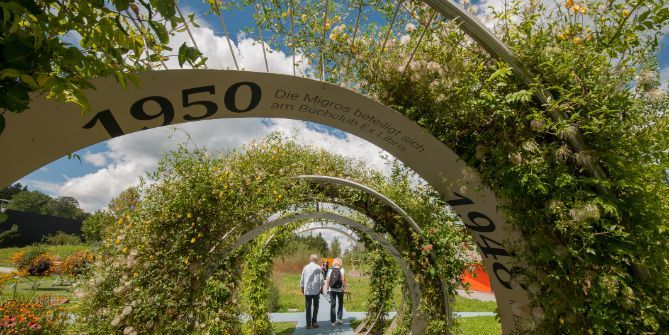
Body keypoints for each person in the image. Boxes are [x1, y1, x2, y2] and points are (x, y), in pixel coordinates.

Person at [300, 254, 324, 329]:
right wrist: (322, 288)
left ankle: (308, 324)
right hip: (316, 290)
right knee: (316, 305)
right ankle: (314, 322)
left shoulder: (305, 267)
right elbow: (321, 279)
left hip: (307, 290)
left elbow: (302, 278)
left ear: (310, 259)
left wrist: (302, 287)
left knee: (308, 306)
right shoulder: (318, 268)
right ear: (316, 260)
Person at [325, 258, 346, 326]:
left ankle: (333, 322)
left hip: (332, 290)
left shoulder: (330, 270)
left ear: (334, 263)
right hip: (340, 290)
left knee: (333, 305)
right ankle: (339, 319)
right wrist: (344, 288)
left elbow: (328, 280)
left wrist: (327, 288)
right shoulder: (342, 270)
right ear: (340, 263)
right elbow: (343, 280)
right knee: (340, 304)